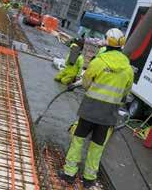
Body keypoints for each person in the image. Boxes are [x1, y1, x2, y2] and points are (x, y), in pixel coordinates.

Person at [58, 28, 134, 189]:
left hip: (90, 110)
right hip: (108, 115)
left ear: (107, 41)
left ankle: (69, 173)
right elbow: (125, 93)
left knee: (78, 141)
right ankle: (89, 179)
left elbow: (86, 82)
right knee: (97, 147)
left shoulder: (98, 62)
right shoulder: (127, 69)